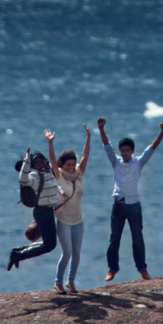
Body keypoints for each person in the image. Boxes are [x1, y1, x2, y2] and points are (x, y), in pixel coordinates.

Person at [98, 116, 163, 282]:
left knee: (137, 238)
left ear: (132, 151)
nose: (124, 153)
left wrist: (162, 133)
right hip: (118, 206)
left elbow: (151, 148)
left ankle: (142, 268)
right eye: (122, 151)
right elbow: (107, 146)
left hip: (134, 206)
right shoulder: (116, 162)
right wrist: (101, 129)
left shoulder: (139, 162)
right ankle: (112, 268)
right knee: (114, 238)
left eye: (127, 151)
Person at [47, 125, 91, 294]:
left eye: (73, 164)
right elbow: (52, 159)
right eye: (69, 165)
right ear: (62, 165)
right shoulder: (58, 176)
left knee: (77, 253)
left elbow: (85, 155)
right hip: (64, 221)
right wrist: (50, 143)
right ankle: (58, 281)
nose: (72, 167)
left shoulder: (79, 173)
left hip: (78, 220)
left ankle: (70, 282)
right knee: (67, 252)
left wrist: (88, 137)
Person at [7, 130, 60, 271]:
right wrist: (26, 161)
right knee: (49, 245)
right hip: (42, 212)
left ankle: (18, 252)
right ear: (33, 167)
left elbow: (54, 187)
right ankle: (18, 254)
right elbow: (22, 180)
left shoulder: (49, 173)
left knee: (49, 244)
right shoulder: (34, 176)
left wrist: (50, 142)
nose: (41, 165)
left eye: (42, 161)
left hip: (48, 211)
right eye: (37, 164)